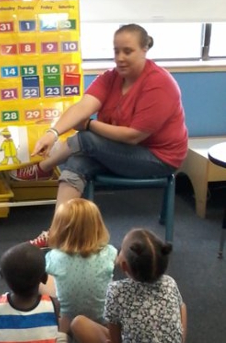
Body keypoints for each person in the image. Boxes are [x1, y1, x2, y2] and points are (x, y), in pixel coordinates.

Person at [10, 24, 188, 248]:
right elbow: (82, 107)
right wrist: (52, 133)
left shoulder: (160, 85)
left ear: (144, 49)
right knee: (77, 161)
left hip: (158, 159)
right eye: (116, 51)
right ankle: (57, 232)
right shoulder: (111, 77)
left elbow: (133, 136)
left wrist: (91, 126)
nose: (120, 58)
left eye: (128, 51)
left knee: (86, 140)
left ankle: (43, 169)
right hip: (120, 152)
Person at [70, 228, 187, 343]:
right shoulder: (170, 284)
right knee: (181, 305)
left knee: (78, 324)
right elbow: (180, 309)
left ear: (124, 265)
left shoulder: (117, 291)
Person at [40, 198, 117, 329]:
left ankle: (61, 331)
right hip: (101, 319)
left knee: (41, 279)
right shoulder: (110, 252)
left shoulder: (53, 256)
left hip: (66, 319)